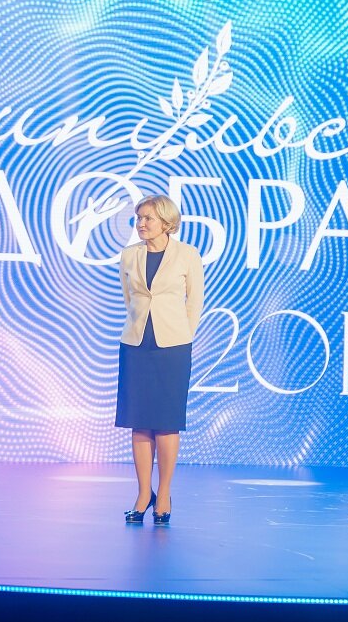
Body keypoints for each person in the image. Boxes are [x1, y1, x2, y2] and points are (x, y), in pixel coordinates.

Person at [115, 195, 204, 525]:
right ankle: (143, 494)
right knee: (139, 422)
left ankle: (163, 494)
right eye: (138, 218)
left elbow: (194, 302)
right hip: (136, 344)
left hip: (173, 347)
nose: (141, 223)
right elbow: (130, 299)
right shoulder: (129, 255)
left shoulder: (187, 254)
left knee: (166, 422)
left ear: (166, 222)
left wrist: (183, 334)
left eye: (148, 218)